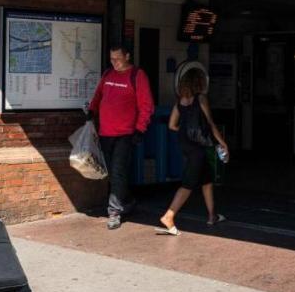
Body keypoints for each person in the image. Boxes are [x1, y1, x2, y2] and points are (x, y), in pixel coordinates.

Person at [87, 44, 154, 230]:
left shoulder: (137, 76)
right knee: (113, 173)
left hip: (125, 134)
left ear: (127, 56)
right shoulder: (108, 74)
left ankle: (114, 212)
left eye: (117, 58)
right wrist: (92, 110)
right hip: (105, 133)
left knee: (118, 171)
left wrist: (140, 129)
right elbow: (99, 94)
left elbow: (146, 105)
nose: (114, 62)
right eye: (112, 59)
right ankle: (129, 201)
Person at [157, 68, 229, 235]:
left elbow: (171, 125)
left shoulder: (179, 102)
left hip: (185, 144)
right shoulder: (201, 99)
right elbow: (211, 124)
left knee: (206, 179)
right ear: (199, 82)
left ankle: (212, 216)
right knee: (188, 183)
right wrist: (223, 143)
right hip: (199, 145)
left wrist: (185, 129)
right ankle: (169, 215)